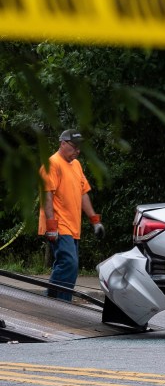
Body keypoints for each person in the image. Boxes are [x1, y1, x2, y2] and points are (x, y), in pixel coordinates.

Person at [38, 129, 104, 301]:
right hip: (58, 225)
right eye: (74, 147)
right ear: (63, 143)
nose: (77, 151)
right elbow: (47, 196)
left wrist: (95, 221)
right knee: (69, 264)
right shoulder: (52, 164)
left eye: (79, 148)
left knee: (65, 264)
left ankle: (50, 299)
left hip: (73, 226)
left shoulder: (76, 165)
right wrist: (51, 226)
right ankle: (61, 303)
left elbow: (83, 194)